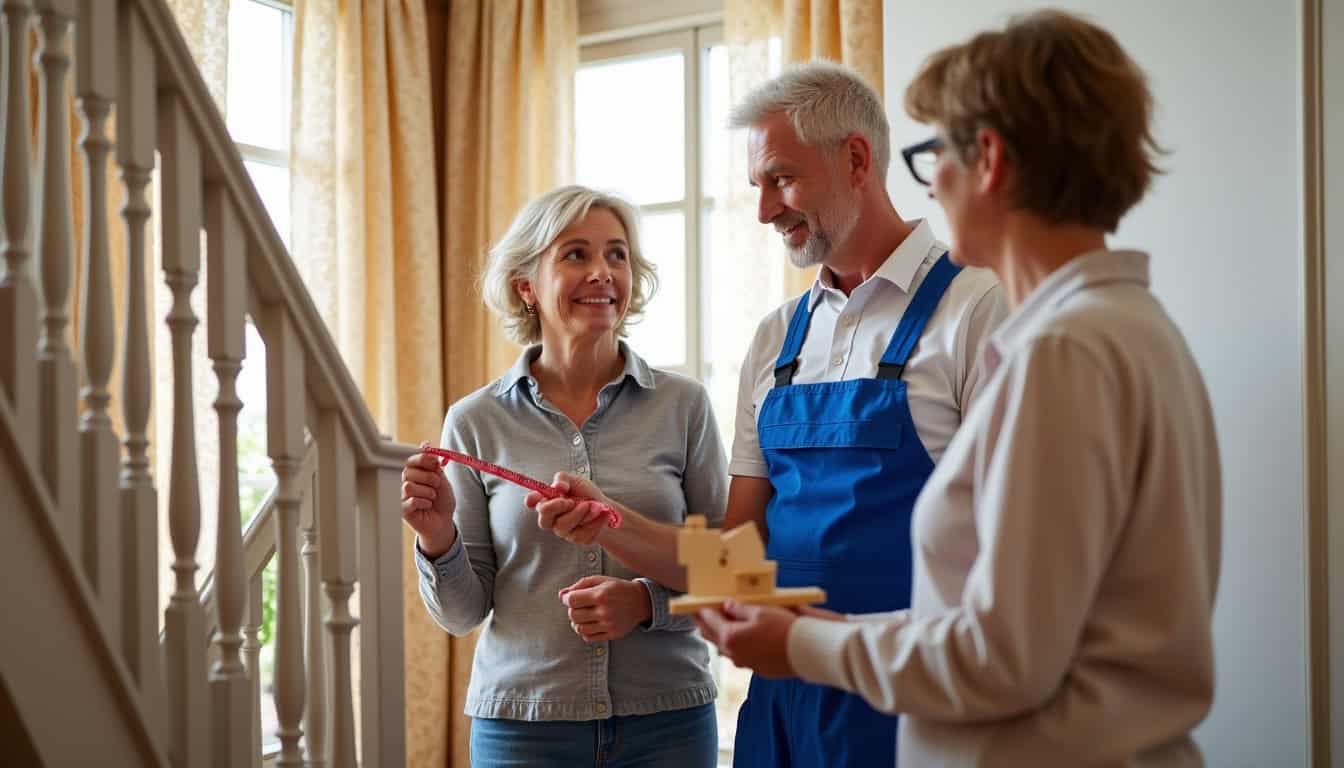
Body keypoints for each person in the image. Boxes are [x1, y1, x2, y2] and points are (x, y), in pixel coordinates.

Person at [692, 10, 1223, 767]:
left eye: (932, 153)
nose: (931, 184)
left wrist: (804, 642)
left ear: (991, 160)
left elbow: (1000, 656)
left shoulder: (1060, 351)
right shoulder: (1135, 328)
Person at [529, 62, 1006, 768]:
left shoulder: (978, 310)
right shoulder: (777, 338)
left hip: (916, 704)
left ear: (856, 159)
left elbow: (1012, 563)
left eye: (780, 179)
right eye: (757, 185)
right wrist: (609, 521)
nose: (763, 211)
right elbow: (736, 560)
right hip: (782, 713)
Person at [399, 185, 726, 768]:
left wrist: (646, 603)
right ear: (526, 285)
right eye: (576, 254)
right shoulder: (474, 421)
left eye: (617, 254)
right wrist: (437, 536)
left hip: (669, 723)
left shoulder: (684, 406)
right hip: (522, 731)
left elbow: (730, 568)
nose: (602, 272)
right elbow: (461, 614)